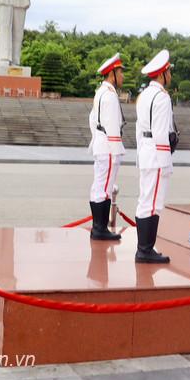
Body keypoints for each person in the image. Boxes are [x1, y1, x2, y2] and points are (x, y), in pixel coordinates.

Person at [134, 49, 177, 263]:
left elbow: (138, 128)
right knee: (153, 203)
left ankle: (144, 248)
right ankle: (145, 250)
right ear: (162, 73)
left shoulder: (143, 95)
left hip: (145, 151)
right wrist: (166, 156)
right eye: (169, 72)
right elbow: (161, 132)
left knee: (145, 200)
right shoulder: (161, 97)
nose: (170, 76)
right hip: (157, 154)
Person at [86, 53, 126, 241]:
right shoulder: (109, 95)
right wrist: (116, 150)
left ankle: (97, 227)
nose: (123, 76)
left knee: (98, 185)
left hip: (101, 144)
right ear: (112, 74)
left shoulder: (100, 93)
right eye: (120, 72)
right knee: (105, 187)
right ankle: (101, 228)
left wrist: (97, 138)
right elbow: (112, 126)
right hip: (109, 147)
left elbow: (93, 119)